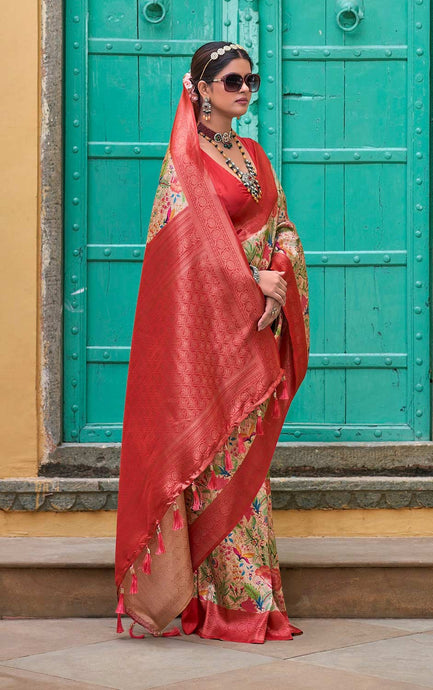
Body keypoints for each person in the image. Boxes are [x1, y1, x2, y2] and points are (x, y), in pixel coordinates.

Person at [114, 41, 310, 644]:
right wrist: (251, 282)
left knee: (248, 469)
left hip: (254, 330)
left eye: (252, 80)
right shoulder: (186, 161)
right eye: (232, 80)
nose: (245, 90)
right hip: (208, 342)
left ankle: (250, 601)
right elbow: (189, 255)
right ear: (200, 87)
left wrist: (277, 280)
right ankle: (206, 602)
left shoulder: (252, 152)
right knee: (209, 463)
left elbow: (281, 223)